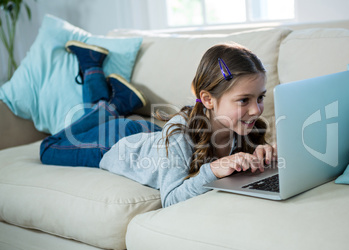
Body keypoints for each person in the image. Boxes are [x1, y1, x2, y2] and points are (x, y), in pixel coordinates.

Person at [40, 41, 277, 207]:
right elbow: (171, 199)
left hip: (155, 135)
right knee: (49, 147)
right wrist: (213, 170)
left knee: (166, 136)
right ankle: (113, 100)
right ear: (207, 99)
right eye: (244, 100)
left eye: (260, 97)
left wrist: (264, 157)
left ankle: (120, 98)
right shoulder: (179, 135)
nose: (256, 110)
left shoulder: (242, 126)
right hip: (116, 143)